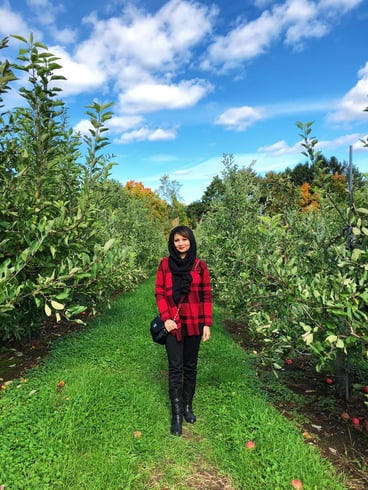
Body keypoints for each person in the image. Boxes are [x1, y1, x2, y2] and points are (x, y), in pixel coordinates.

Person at [155, 225, 212, 436]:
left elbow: (206, 295)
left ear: (191, 241)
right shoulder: (164, 265)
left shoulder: (200, 266)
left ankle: (188, 407)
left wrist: (207, 323)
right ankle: (177, 415)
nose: (181, 243)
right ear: (172, 242)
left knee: (190, 367)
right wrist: (166, 318)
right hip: (174, 325)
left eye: (185, 239)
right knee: (175, 368)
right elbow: (160, 293)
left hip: (195, 322)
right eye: (177, 240)